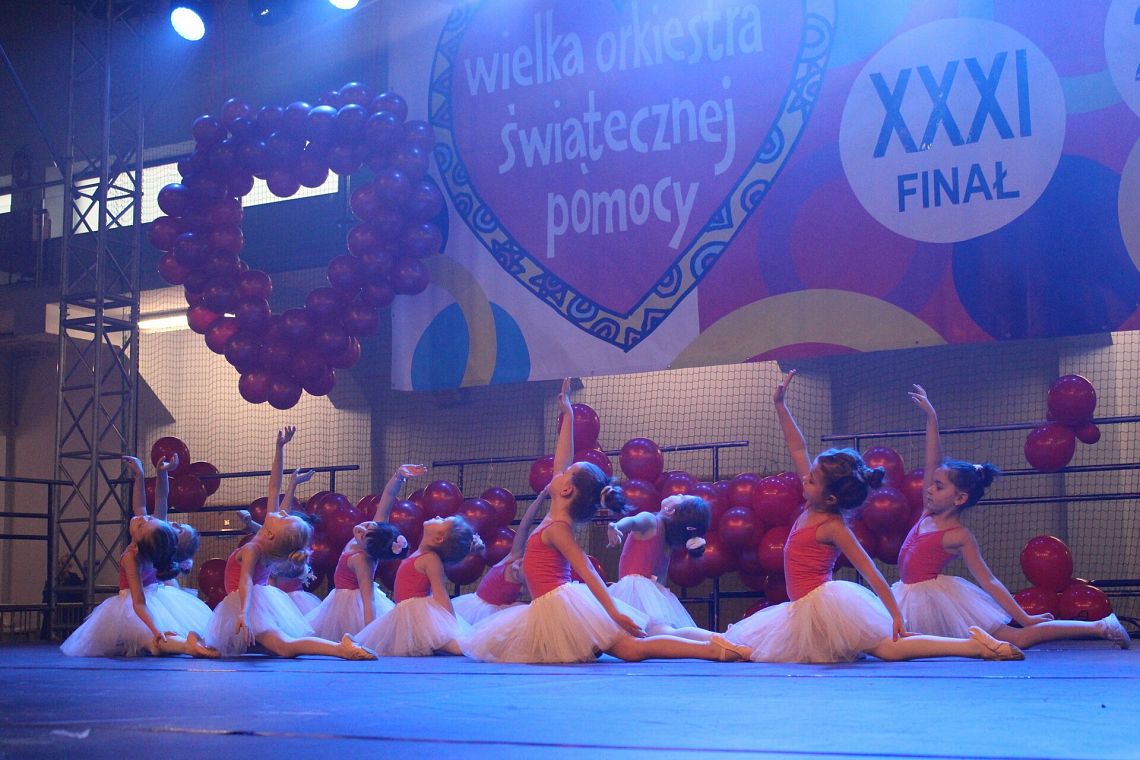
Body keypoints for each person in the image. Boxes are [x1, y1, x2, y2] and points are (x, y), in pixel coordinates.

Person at [725, 370, 1024, 663]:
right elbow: (798, 447)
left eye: (812, 479)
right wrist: (780, 405)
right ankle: (972, 645)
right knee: (761, 649)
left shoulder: (831, 526)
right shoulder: (813, 503)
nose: (805, 479)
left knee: (887, 649)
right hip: (805, 609)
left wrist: (895, 615)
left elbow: (870, 571)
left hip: (824, 606)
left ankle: (972, 646)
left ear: (830, 498)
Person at [462, 379, 752, 664]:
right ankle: (714, 647)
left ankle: (713, 649)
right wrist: (568, 415)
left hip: (564, 604)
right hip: (554, 606)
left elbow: (587, 569)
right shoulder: (556, 515)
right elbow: (563, 459)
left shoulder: (558, 528)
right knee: (631, 650)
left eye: (565, 473)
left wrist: (613, 611)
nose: (558, 472)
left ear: (566, 490)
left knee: (633, 649)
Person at [893, 385, 1129, 649]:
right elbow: (932, 460)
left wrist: (1024, 618)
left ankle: (1101, 626)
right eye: (932, 484)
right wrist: (931, 417)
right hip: (908, 594)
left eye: (938, 486)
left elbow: (989, 581)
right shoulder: (928, 511)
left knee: (1018, 637)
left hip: (934, 600)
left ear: (959, 498)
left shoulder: (958, 536)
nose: (929, 489)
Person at [203, 429, 374, 660]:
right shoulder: (265, 539)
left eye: (284, 517)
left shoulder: (253, 548)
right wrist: (279, 448)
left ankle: (339, 649)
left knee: (284, 646)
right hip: (260, 602)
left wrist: (244, 613)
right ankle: (338, 647)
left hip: (249, 603)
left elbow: (246, 581)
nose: (282, 512)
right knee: (272, 646)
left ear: (271, 534)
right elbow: (274, 488)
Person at [61, 458, 216, 658]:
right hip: (155, 600)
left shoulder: (133, 555)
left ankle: (187, 646)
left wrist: (155, 628)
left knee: (150, 640)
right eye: (148, 519)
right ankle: (186, 644)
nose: (143, 517)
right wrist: (147, 475)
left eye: (143, 523)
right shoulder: (154, 540)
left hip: (135, 605)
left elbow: (139, 602)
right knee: (150, 639)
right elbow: (159, 499)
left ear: (138, 539)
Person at [306, 463, 428, 639]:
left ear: (369, 551)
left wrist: (369, 636)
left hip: (351, 608)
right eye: (368, 526)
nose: (361, 529)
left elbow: (368, 600)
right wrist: (398, 475)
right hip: (341, 600)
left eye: (363, 536)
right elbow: (388, 497)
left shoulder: (362, 560)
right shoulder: (376, 531)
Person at [355, 514, 481, 656]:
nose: (438, 516)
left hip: (419, 611)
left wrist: (451, 625)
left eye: (442, 520)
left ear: (439, 539)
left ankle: (476, 647)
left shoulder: (430, 559)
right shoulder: (421, 554)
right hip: (406, 611)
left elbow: (440, 594)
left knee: (455, 646)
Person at [605, 493, 718, 640]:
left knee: (661, 633)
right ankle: (716, 638)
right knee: (665, 634)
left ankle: (718, 639)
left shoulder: (650, 521)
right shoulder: (668, 538)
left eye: (682, 497)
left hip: (636, 590)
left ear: (671, 510)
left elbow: (632, 521)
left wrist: (616, 526)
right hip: (656, 594)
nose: (679, 493)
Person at [452, 486, 548, 625]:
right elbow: (524, 526)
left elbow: (538, 595)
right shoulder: (514, 556)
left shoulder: (527, 575)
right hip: (476, 607)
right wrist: (541, 497)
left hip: (498, 616)